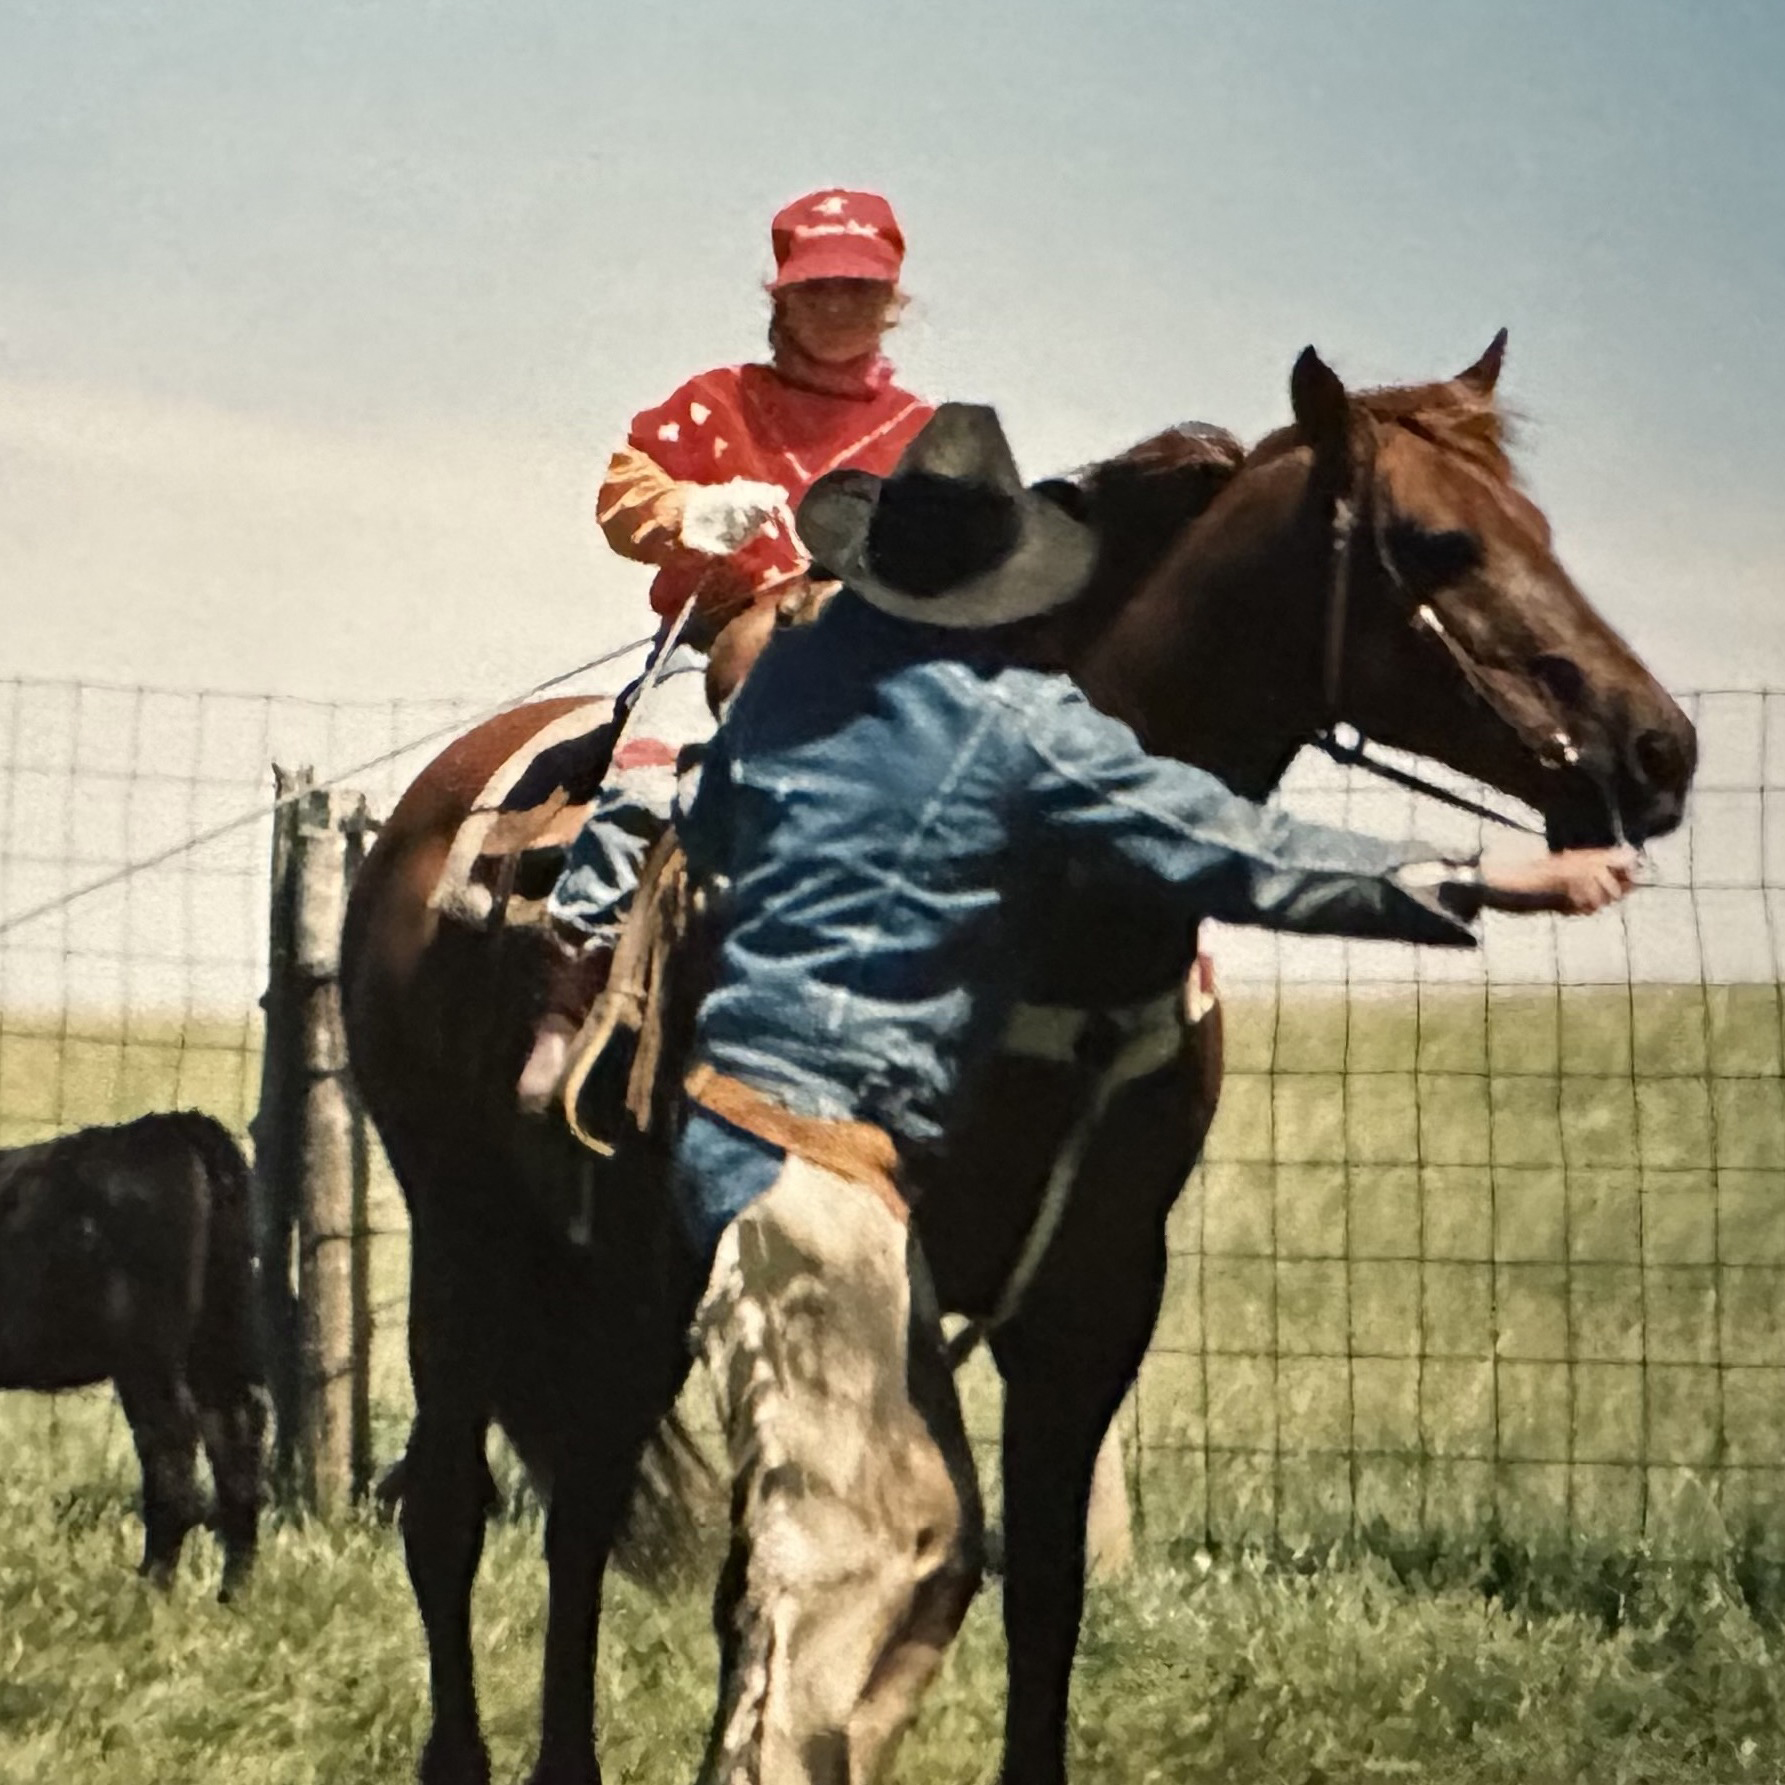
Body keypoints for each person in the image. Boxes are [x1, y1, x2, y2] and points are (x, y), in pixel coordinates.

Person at [667, 404, 1639, 1785]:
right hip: (814, 1178)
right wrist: (1480, 878)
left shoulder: (797, 677)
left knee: (925, 1538)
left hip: (749, 1145)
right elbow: (1230, 844)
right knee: (860, 1549)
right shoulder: (1018, 730)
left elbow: (709, 830)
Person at [519, 188, 935, 1109]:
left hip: (871, 666)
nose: (837, 306)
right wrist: (689, 511)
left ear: (892, 301)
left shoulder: (926, 434)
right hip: (711, 645)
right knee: (644, 781)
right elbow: (624, 491)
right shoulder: (711, 407)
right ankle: (571, 990)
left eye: (859, 290)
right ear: (779, 297)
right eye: (816, 287)